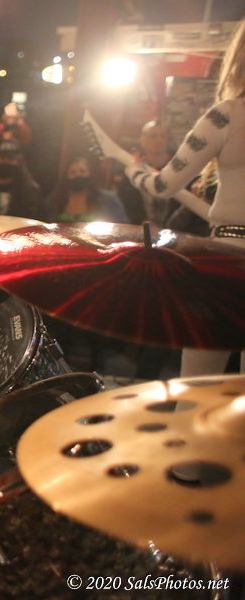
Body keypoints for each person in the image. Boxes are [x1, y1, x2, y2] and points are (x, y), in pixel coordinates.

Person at [124, 19, 245, 376]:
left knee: (195, 389)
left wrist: (131, 169)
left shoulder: (227, 115)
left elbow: (163, 185)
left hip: (226, 263)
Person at [116, 120, 176, 224]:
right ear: (143, 140)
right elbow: (126, 200)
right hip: (141, 228)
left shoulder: (177, 169)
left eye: (163, 136)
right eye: (153, 136)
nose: (159, 140)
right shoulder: (134, 170)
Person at [46, 155, 129, 224]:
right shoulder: (56, 200)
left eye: (82, 171)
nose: (78, 175)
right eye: (73, 172)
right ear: (67, 177)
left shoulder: (108, 199)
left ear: (89, 174)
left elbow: (122, 226)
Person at [0, 101, 33, 165]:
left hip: (15, 160)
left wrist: (15, 134)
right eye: (9, 116)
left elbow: (26, 140)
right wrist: (1, 135)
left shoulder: (21, 128)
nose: (11, 119)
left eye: (13, 117)